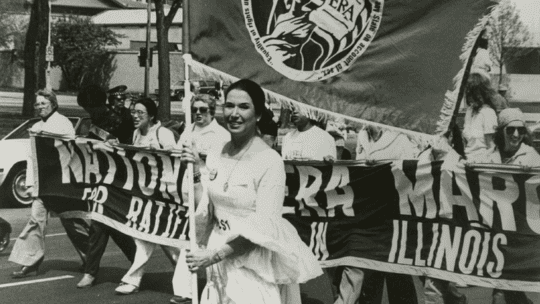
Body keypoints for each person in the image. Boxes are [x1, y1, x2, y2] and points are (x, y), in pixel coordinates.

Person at [180, 79, 323, 303]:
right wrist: (197, 169)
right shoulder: (217, 151)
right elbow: (208, 206)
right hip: (217, 257)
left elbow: (264, 224)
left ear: (257, 115)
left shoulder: (269, 161)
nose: (234, 113)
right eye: (229, 105)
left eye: (244, 107)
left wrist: (214, 255)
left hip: (250, 261)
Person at [9, 89, 90, 278]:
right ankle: (30, 263)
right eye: (37, 105)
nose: (40, 108)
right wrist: (30, 184)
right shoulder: (36, 128)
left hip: (60, 185)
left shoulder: (63, 124)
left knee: (72, 223)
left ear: (53, 104)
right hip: (42, 185)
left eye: (43, 104)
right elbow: (32, 159)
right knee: (35, 221)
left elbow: (69, 152)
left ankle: (90, 258)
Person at [115, 97, 180, 295]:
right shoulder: (136, 134)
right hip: (146, 195)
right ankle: (133, 281)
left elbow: (177, 160)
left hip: (166, 196)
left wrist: (161, 151)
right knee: (143, 237)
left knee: (170, 243)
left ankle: (186, 278)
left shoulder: (164, 133)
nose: (135, 116)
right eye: (133, 112)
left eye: (140, 113)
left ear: (151, 116)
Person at [76, 85, 137, 289]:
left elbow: (125, 147)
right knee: (108, 226)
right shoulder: (96, 119)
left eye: (90, 108)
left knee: (100, 226)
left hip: (119, 179)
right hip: (101, 178)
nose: (88, 112)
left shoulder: (120, 118)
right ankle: (137, 265)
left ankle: (91, 272)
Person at [171, 93, 230, 304]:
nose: (197, 113)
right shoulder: (188, 129)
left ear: (212, 112)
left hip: (207, 194)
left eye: (203, 110)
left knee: (203, 239)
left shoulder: (221, 135)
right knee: (189, 239)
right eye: (194, 109)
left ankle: (195, 289)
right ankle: (187, 289)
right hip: (187, 191)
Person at [478, 108, 538, 304]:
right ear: (501, 130)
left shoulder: (531, 156)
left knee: (503, 291)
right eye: (510, 129)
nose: (516, 135)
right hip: (496, 232)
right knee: (510, 291)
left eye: (520, 130)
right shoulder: (488, 156)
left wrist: (531, 173)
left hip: (519, 234)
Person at [355, 124, 418, 304]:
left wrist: (384, 168)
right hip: (369, 212)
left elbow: (410, 173)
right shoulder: (362, 136)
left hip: (394, 211)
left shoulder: (400, 138)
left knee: (397, 270)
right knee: (370, 270)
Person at [462, 72, 499, 161]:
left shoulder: (488, 113)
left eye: (472, 93)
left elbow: (491, 147)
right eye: (467, 93)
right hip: (467, 159)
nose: (469, 97)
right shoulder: (470, 111)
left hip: (481, 161)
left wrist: (478, 160)